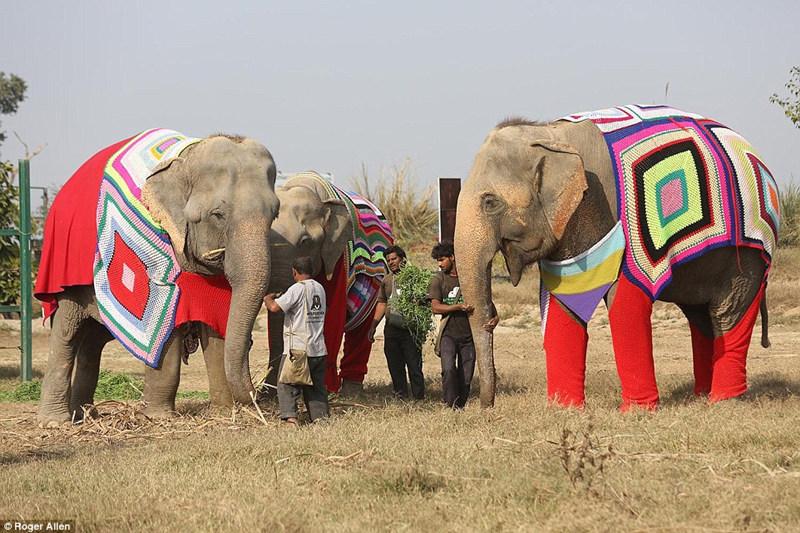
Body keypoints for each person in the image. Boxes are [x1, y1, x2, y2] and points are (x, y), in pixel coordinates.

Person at [428, 241, 498, 409]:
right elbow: (435, 307)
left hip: (469, 337)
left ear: (453, 257)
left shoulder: (470, 279)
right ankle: (450, 406)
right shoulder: (438, 280)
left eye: (442, 259)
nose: (440, 264)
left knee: (466, 376)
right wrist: (457, 307)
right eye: (437, 260)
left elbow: (488, 305)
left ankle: (460, 406)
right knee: (449, 369)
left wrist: (494, 321)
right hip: (448, 335)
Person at [264, 256, 329, 426]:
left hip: (298, 349)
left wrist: (268, 298)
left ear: (294, 272)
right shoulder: (320, 288)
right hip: (319, 348)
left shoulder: (297, 289)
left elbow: (274, 308)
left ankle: (290, 419)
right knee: (316, 388)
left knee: (286, 383)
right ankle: (320, 419)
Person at [368, 245, 425, 400]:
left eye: (394, 259)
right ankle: (401, 395)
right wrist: (373, 326)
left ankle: (419, 397)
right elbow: (382, 303)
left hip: (410, 330)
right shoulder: (387, 280)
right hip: (391, 329)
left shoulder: (415, 276)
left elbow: (425, 300)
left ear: (403, 258)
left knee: (414, 365)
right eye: (388, 260)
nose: (391, 262)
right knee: (395, 365)